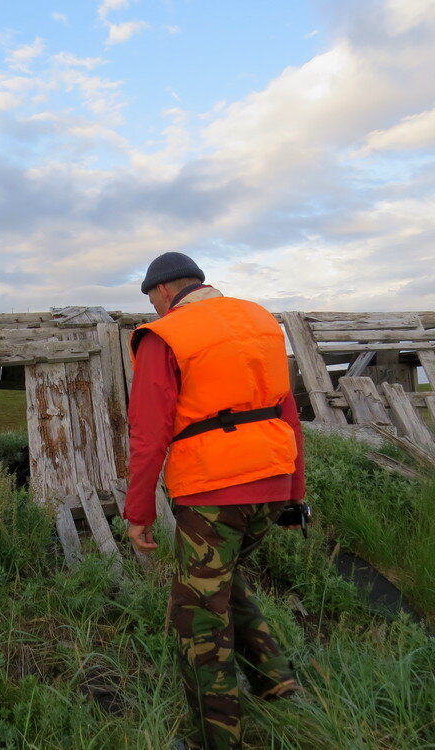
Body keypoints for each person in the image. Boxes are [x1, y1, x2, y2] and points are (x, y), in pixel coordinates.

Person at [123, 251, 306, 750]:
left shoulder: (167, 335)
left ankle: (215, 739)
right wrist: (294, 494)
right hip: (271, 480)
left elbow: (148, 433)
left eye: (153, 300)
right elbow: (288, 411)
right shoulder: (260, 322)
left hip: (214, 492)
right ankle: (276, 679)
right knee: (222, 581)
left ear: (162, 291)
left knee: (198, 616)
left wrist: (137, 513)